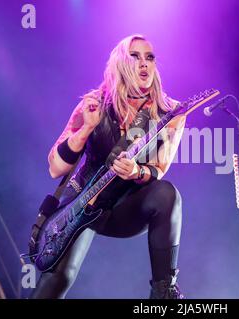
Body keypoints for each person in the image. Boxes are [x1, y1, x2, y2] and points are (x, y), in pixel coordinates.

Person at [30, 34, 186, 299]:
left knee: (167, 194)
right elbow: (55, 168)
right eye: (135, 56)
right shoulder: (95, 102)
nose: (144, 64)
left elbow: (161, 167)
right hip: (84, 203)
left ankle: (164, 293)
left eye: (149, 57)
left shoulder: (168, 112)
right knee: (57, 281)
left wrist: (137, 172)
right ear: (121, 63)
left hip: (125, 207)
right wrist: (86, 128)